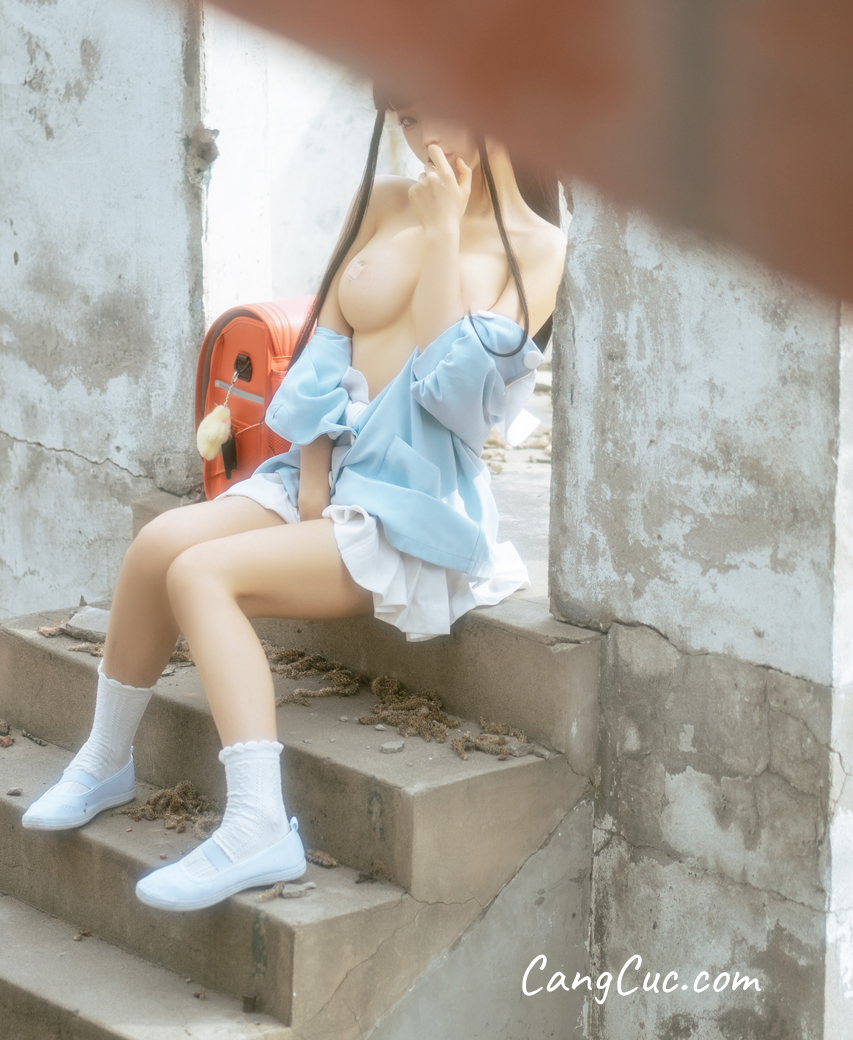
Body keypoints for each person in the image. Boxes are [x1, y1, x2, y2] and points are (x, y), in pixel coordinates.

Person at [21, 89, 568, 911]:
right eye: (404, 118)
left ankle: (258, 828)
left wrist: (445, 234)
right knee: (160, 545)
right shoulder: (383, 199)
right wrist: (311, 481)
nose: (418, 135)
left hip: (409, 504)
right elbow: (324, 348)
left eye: (432, 107)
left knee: (201, 574)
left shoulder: (538, 248)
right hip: (322, 474)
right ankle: (105, 762)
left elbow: (451, 392)